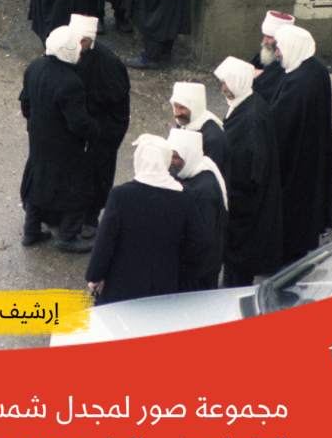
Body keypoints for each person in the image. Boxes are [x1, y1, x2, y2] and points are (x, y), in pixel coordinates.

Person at [85, 134, 210, 304]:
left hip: (121, 287)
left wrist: (95, 276)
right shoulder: (184, 196)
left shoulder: (121, 195)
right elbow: (199, 243)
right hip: (164, 286)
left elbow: (105, 241)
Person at [19, 26, 99, 253]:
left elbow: (26, 104)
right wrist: (95, 130)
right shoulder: (71, 82)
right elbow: (78, 123)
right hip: (65, 146)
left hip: (38, 138)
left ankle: (31, 231)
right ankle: (67, 235)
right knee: (78, 188)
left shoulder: (34, 67)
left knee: (37, 181)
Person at [214, 56, 283, 286]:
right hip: (247, 202)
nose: (223, 88)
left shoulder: (250, 118)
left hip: (245, 206)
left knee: (239, 263)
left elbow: (250, 169)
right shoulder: (248, 103)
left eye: (227, 83)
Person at [269, 24, 332, 264]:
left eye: (280, 48)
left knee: (292, 218)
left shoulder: (297, 84)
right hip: (312, 155)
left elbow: (279, 129)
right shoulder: (317, 70)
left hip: (296, 163)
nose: (277, 54)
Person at [69, 13, 131, 237]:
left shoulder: (108, 62)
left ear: (91, 39)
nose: (78, 45)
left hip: (103, 128)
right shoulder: (68, 52)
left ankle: (90, 217)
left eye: (83, 41)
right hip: (81, 124)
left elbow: (115, 98)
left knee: (97, 174)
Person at [167, 128, 227, 291]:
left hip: (199, 273)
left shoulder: (204, 190)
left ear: (189, 155)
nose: (171, 162)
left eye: (176, 157)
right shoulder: (190, 173)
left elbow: (203, 239)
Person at [169, 81, 230, 181]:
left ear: (195, 107)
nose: (177, 113)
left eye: (182, 107)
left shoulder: (213, 138)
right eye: (175, 106)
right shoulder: (185, 123)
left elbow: (209, 177)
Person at [251, 10, 294, 104]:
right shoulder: (267, 50)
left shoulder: (292, 61)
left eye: (269, 37)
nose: (264, 41)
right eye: (264, 36)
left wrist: (262, 75)